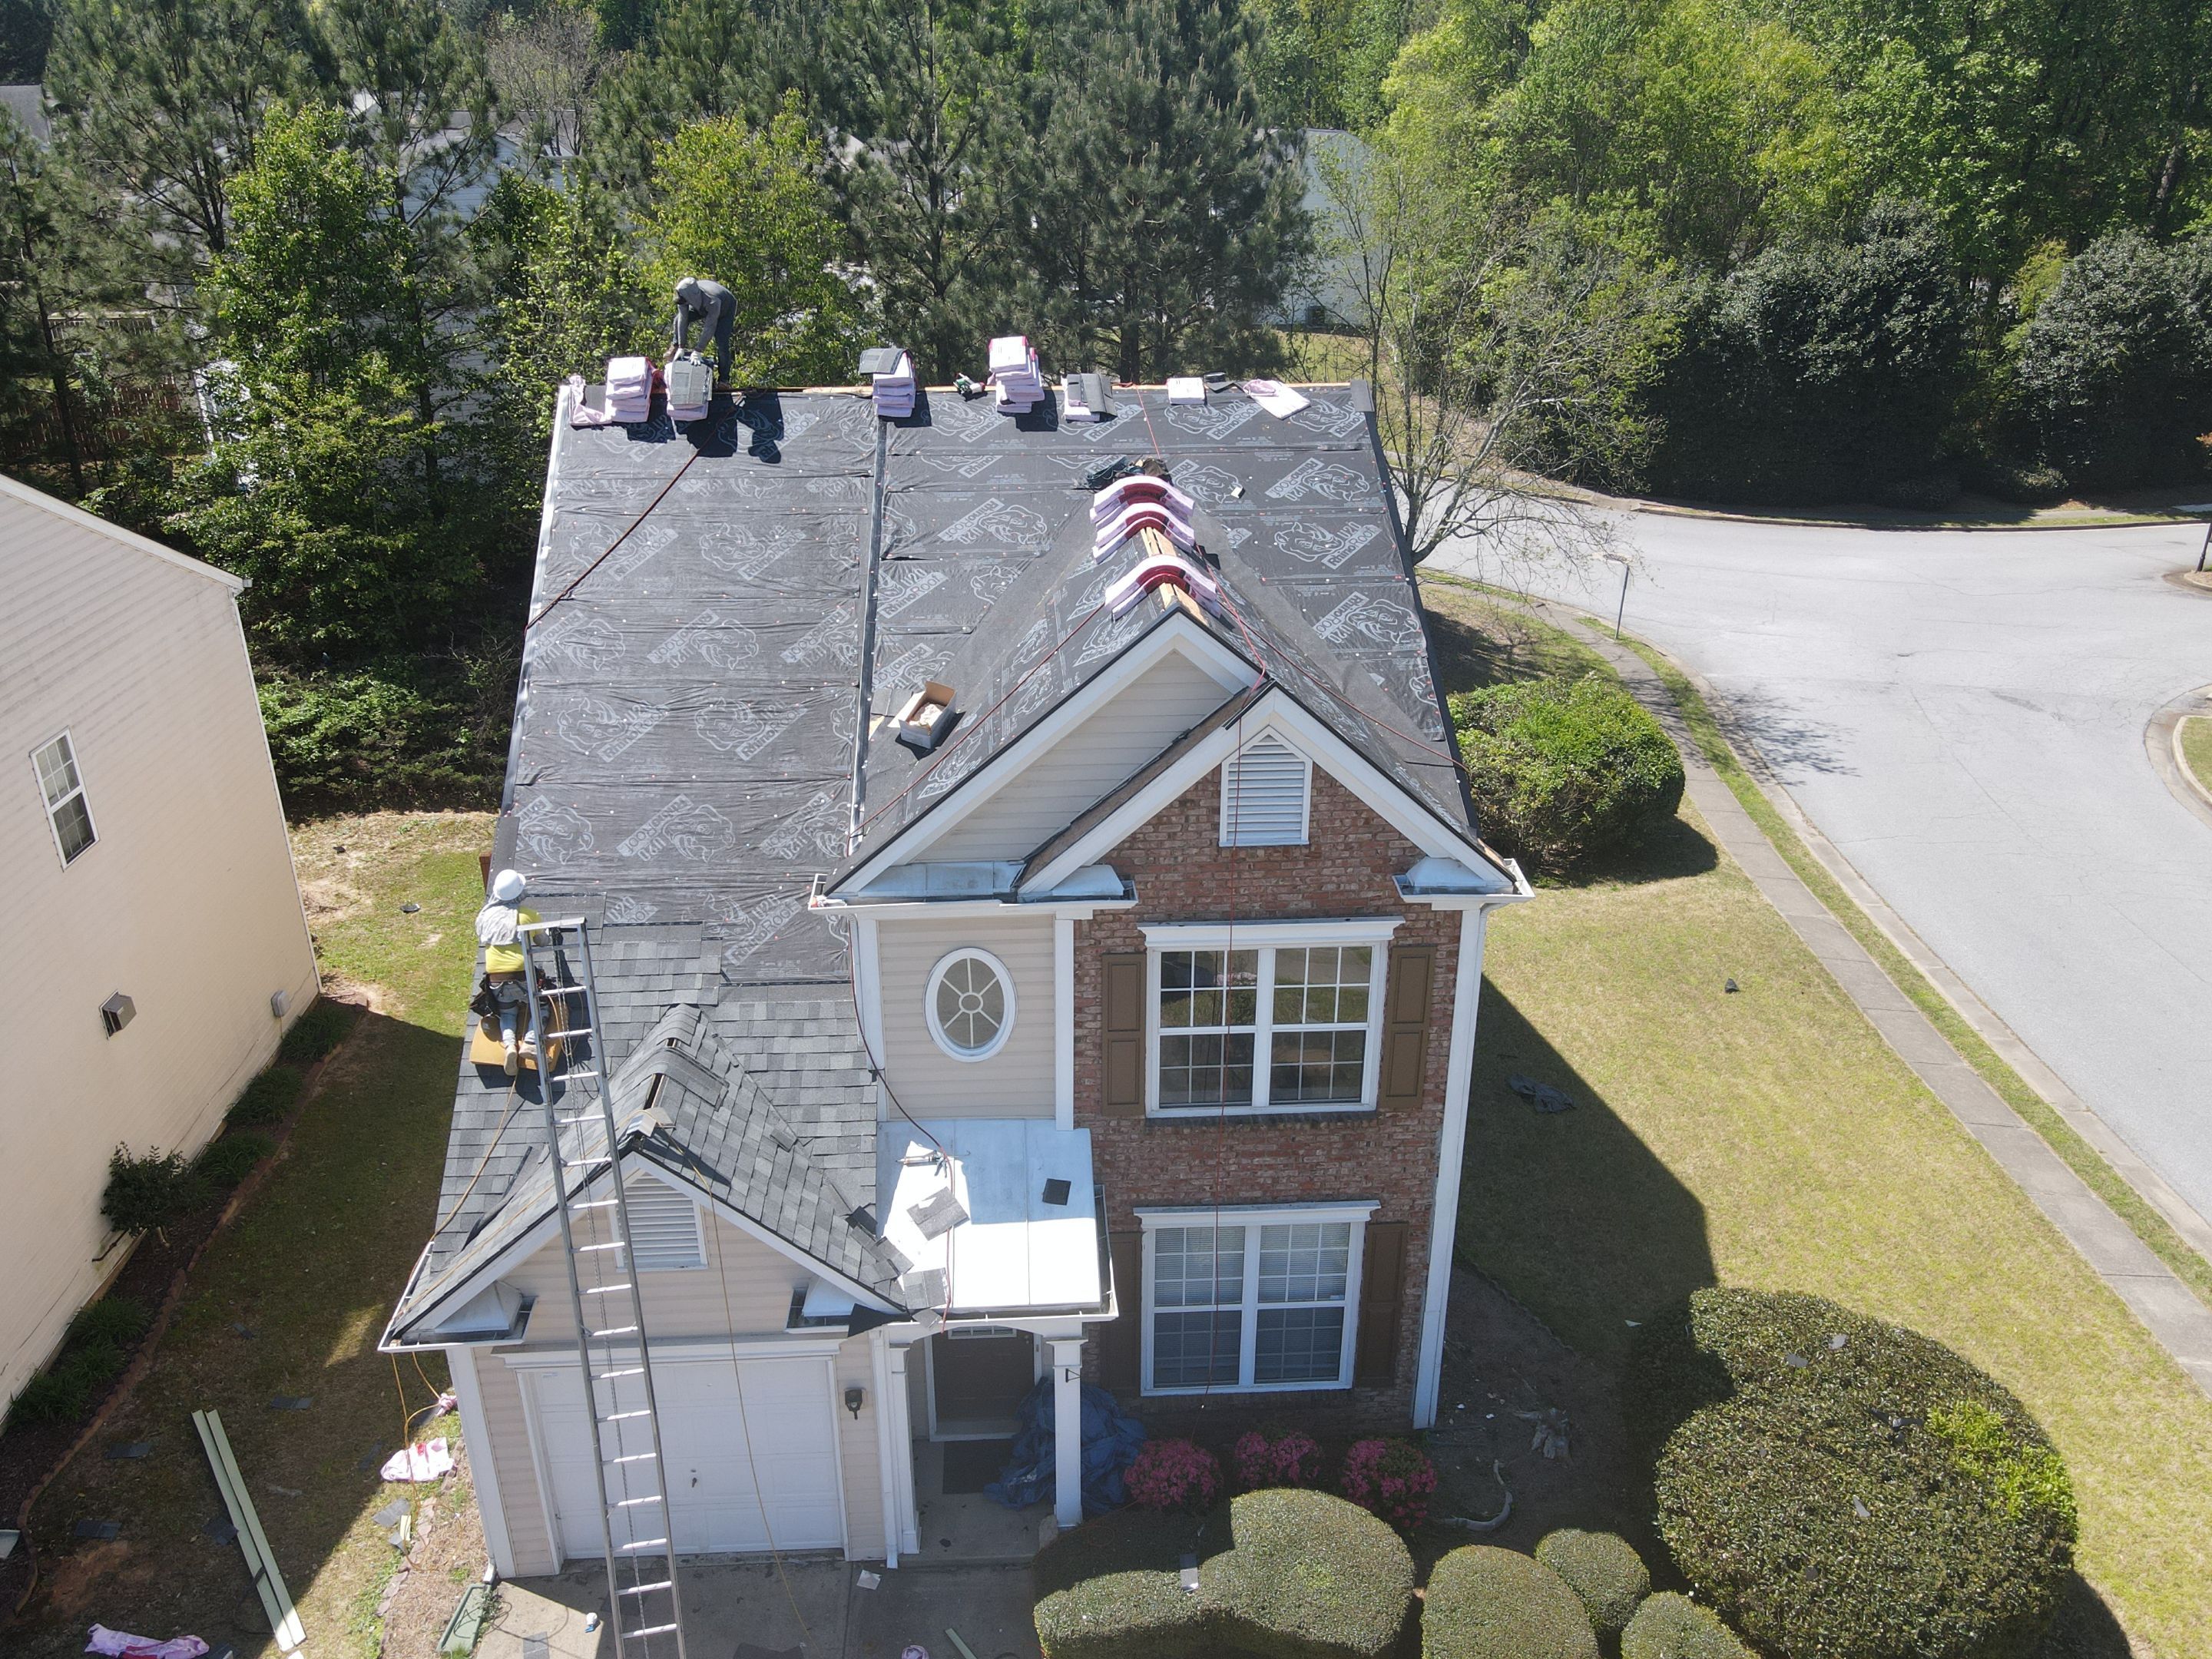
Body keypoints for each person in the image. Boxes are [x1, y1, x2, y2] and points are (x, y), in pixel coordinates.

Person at [473, 869, 541, 1076]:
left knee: (508, 1013)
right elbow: (543, 941)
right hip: (521, 976)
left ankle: (510, 1046)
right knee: (542, 1007)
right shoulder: (526, 915)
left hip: (496, 979)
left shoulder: (485, 917)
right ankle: (530, 1042)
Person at [671, 276, 735, 383]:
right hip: (700, 305)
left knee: (722, 344)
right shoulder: (684, 296)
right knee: (677, 320)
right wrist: (681, 347)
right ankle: (674, 346)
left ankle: (724, 380)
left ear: (690, 296)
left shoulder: (713, 301)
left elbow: (710, 326)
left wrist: (698, 350)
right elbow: (683, 319)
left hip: (725, 308)